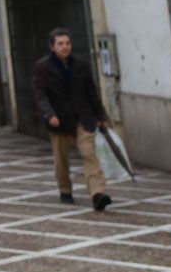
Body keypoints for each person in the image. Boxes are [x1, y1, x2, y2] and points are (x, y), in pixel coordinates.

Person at [33, 27, 114, 211]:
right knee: (61, 160)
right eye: (60, 43)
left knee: (89, 153)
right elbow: (40, 95)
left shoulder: (81, 64)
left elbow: (91, 92)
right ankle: (65, 190)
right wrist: (49, 114)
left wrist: (100, 116)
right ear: (52, 46)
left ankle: (97, 194)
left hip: (83, 118)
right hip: (59, 121)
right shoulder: (42, 67)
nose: (65, 47)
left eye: (67, 43)